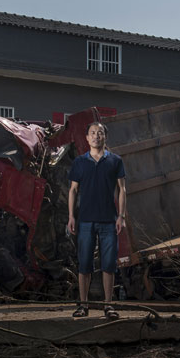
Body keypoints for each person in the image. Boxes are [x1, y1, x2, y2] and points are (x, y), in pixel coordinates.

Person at [67, 121, 127, 318]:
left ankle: (108, 306)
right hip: (85, 221)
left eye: (99, 133)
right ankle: (83, 306)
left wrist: (121, 216)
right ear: (87, 138)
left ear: (105, 137)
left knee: (108, 264)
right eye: (92, 133)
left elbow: (122, 190)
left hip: (109, 221)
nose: (96, 136)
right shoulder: (79, 162)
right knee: (84, 264)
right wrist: (71, 217)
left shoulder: (115, 161)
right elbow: (73, 190)